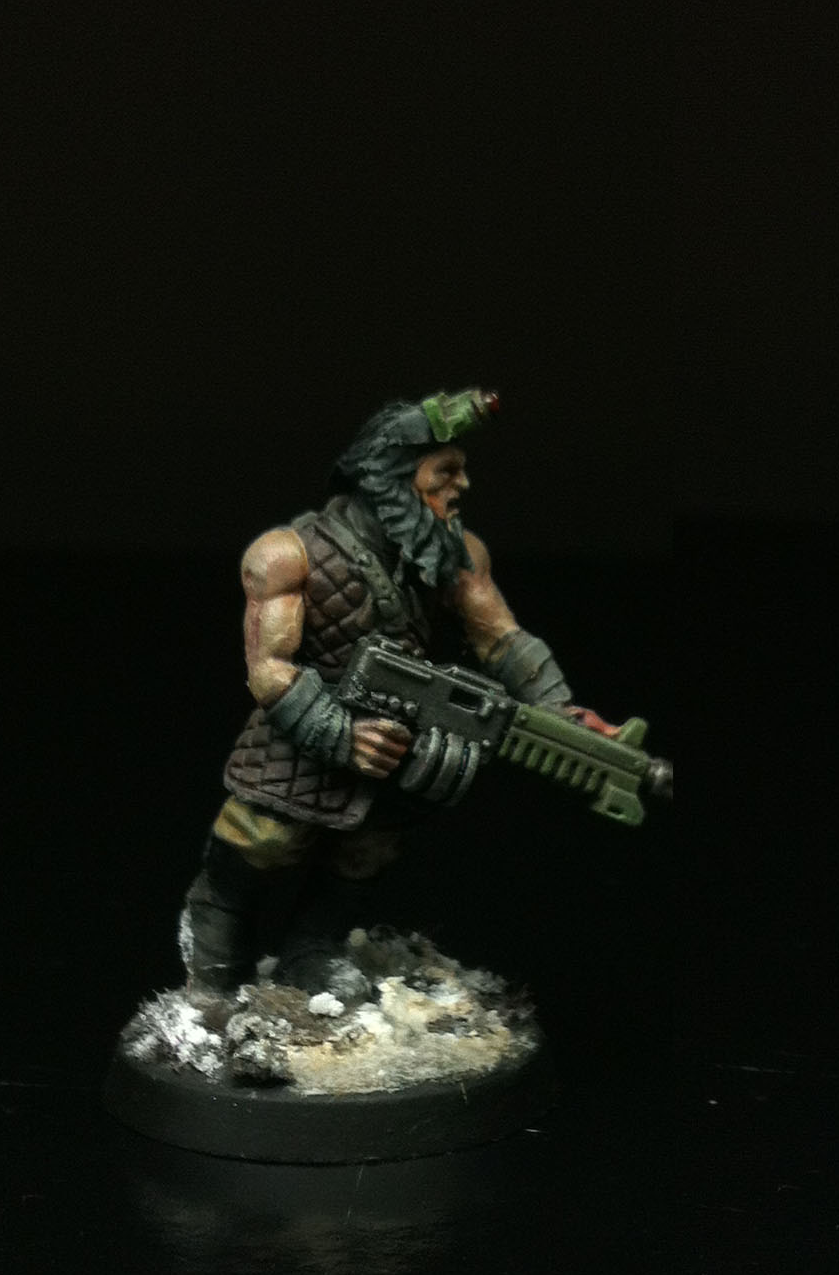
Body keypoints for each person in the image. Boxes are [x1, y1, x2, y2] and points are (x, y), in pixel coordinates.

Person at [177, 388, 593, 998]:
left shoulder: (455, 554)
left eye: (462, 469)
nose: (462, 484)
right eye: (444, 471)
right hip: (302, 730)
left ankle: (312, 951)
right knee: (262, 841)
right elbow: (268, 670)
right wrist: (339, 734)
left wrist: (560, 707)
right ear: (391, 476)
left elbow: (501, 639)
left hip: (399, 734)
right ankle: (215, 957)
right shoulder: (288, 555)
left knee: (367, 850)